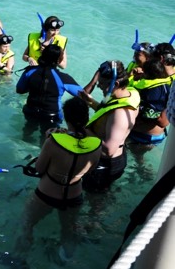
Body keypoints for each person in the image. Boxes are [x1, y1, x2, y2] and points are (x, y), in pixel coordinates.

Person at [14, 98, 101, 262]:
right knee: (68, 230)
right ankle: (65, 259)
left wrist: (47, 139)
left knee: (26, 223)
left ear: (66, 117)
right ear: (86, 117)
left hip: (47, 193)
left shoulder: (53, 141)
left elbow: (39, 168)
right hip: (74, 196)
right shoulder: (97, 144)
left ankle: (19, 258)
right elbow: (90, 170)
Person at [79, 61, 139, 192]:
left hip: (106, 164)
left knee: (94, 199)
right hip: (112, 159)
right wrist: (90, 101)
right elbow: (107, 113)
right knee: (100, 194)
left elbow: (108, 150)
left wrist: (83, 130)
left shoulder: (121, 113)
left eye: (102, 84)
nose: (100, 87)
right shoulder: (129, 92)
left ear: (116, 84)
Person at [16, 44, 82, 142]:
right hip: (51, 116)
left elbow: (19, 90)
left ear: (42, 55)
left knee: (27, 133)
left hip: (30, 111)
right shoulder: (63, 78)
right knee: (47, 140)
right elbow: (82, 95)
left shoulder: (30, 71)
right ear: (58, 61)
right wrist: (95, 79)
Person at [128, 44, 174, 147]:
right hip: (153, 134)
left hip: (144, 134)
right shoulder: (160, 79)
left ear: (161, 59)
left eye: (152, 58)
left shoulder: (162, 85)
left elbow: (163, 121)